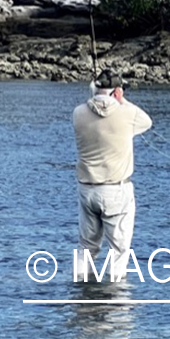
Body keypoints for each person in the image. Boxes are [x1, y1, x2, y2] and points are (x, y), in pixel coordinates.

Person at [72, 69, 152, 280]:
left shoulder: (78, 114)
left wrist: (100, 93)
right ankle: (115, 304)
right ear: (117, 91)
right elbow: (147, 121)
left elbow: (95, 103)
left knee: (86, 247)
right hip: (116, 190)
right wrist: (122, 100)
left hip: (86, 190)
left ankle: (79, 290)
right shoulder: (127, 114)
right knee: (118, 250)